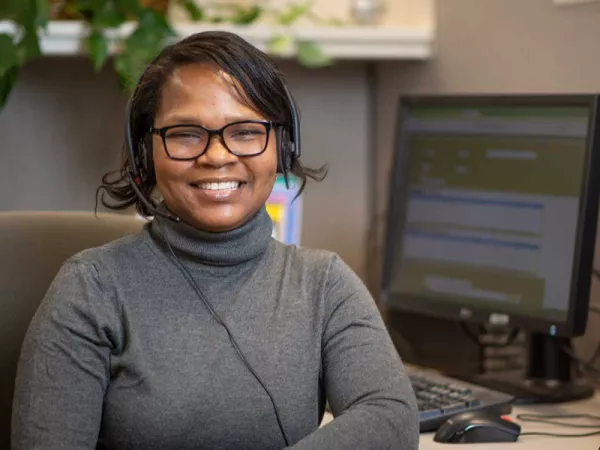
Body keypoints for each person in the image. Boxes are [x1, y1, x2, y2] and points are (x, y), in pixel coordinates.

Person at [11, 31, 419, 449]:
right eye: (186, 133)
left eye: (244, 131)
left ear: (281, 145)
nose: (218, 155)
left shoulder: (323, 284)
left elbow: (389, 415)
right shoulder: (91, 289)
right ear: (145, 153)